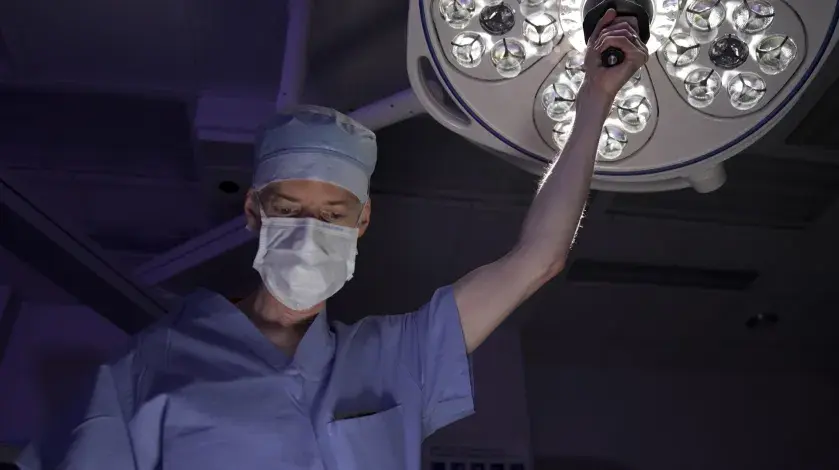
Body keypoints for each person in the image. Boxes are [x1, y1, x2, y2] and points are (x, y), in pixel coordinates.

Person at [17, 9, 647, 470]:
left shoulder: (396, 360)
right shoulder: (146, 371)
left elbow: (538, 259)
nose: (310, 232)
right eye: (290, 208)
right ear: (254, 213)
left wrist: (594, 98)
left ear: (361, 222)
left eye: (333, 213)